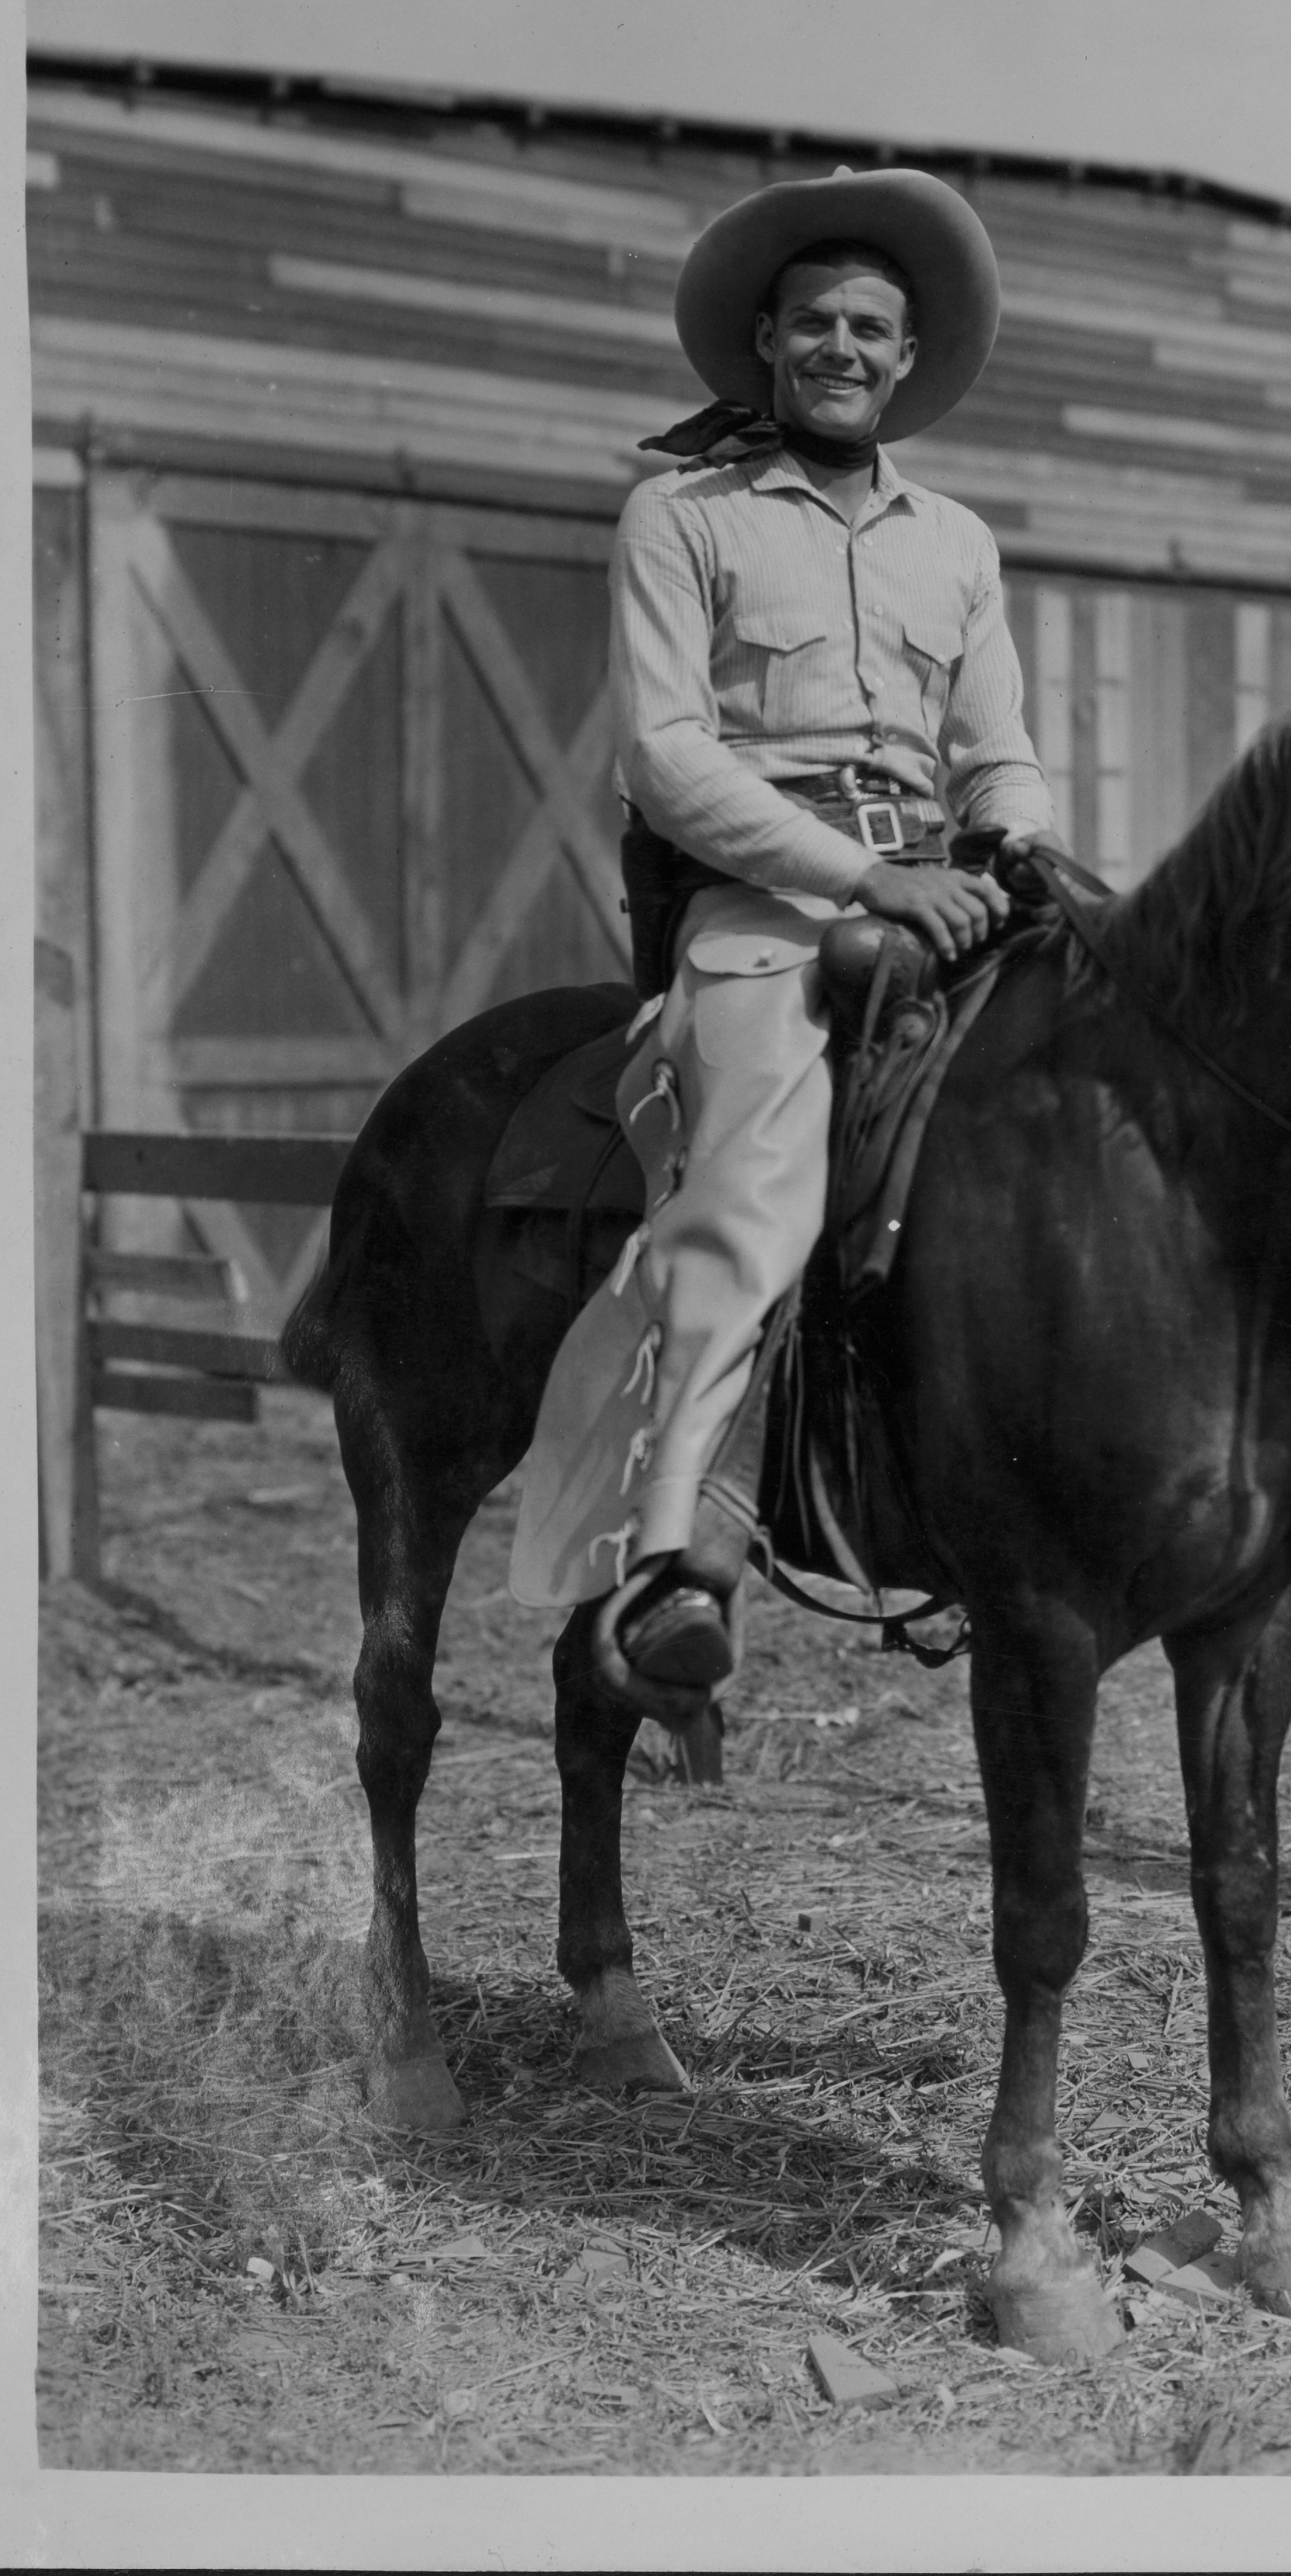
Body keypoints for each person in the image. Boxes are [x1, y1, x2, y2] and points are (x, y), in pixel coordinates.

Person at [505, 166, 1053, 1708]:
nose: (840, 345)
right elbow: (667, 758)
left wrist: (1009, 840)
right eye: (811, 320)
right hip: (766, 909)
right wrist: (856, 881)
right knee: (751, 1174)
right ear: (763, 342)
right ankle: (680, 1558)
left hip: (950, 898)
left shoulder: (955, 540)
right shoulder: (681, 517)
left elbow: (992, 745)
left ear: (904, 359)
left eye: (869, 327)